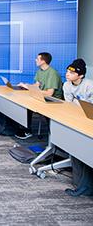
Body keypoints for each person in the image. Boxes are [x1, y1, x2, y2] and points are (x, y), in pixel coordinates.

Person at [0, 52, 63, 139]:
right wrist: (26, 85)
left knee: (27, 106)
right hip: (41, 97)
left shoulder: (52, 73)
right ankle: (21, 127)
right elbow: (37, 85)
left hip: (52, 100)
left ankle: (27, 130)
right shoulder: (40, 71)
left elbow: (49, 93)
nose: (35, 60)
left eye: (37, 59)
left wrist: (31, 89)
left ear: (43, 61)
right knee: (22, 102)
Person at [62, 58, 93, 197]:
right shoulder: (66, 85)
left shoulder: (89, 85)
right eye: (67, 71)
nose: (67, 74)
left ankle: (86, 185)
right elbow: (68, 105)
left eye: (71, 72)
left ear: (80, 75)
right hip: (76, 118)